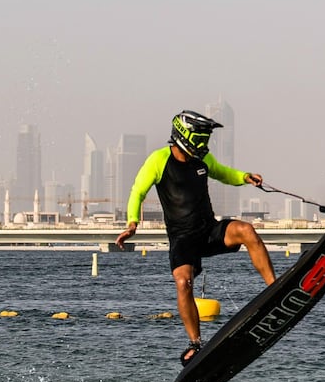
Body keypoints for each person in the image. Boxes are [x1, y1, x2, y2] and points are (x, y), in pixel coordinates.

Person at [116, 110, 275, 366]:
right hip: (183, 239)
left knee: (246, 231)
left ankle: (273, 289)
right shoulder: (158, 160)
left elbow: (223, 173)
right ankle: (195, 344)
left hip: (209, 231)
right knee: (183, 283)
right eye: (200, 138)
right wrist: (132, 222)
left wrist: (245, 177)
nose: (204, 145)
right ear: (184, 136)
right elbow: (137, 192)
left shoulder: (203, 160)